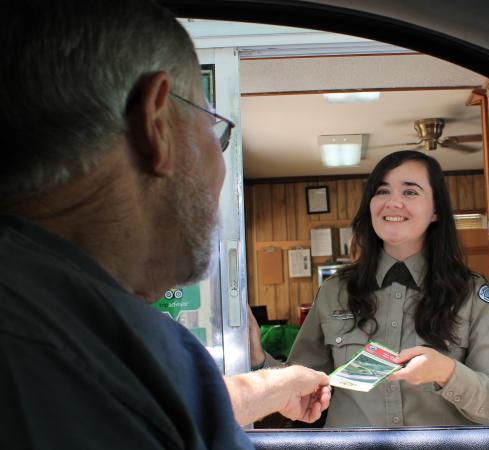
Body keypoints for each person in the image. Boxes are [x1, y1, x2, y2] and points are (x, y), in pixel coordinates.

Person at [0, 1, 328, 448]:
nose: (220, 166)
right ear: (156, 124)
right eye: (215, 131)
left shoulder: (60, 324)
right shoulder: (88, 348)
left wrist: (275, 387)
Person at [286, 150, 489, 427]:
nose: (393, 202)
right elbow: (299, 385)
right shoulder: (333, 291)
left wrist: (447, 372)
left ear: (435, 210)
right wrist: (258, 358)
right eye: (382, 191)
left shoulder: (470, 293)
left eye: (410, 192)